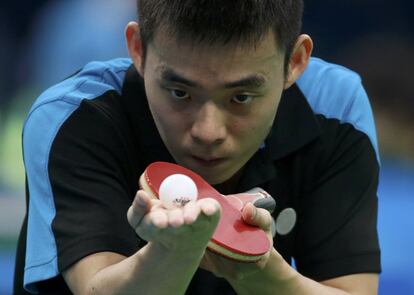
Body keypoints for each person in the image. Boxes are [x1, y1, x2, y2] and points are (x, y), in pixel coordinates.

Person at [13, 1, 381, 294]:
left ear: (295, 61)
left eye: (241, 96)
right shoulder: (75, 114)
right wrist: (176, 250)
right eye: (180, 93)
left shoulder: (335, 108)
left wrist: (257, 268)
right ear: (138, 49)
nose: (208, 131)